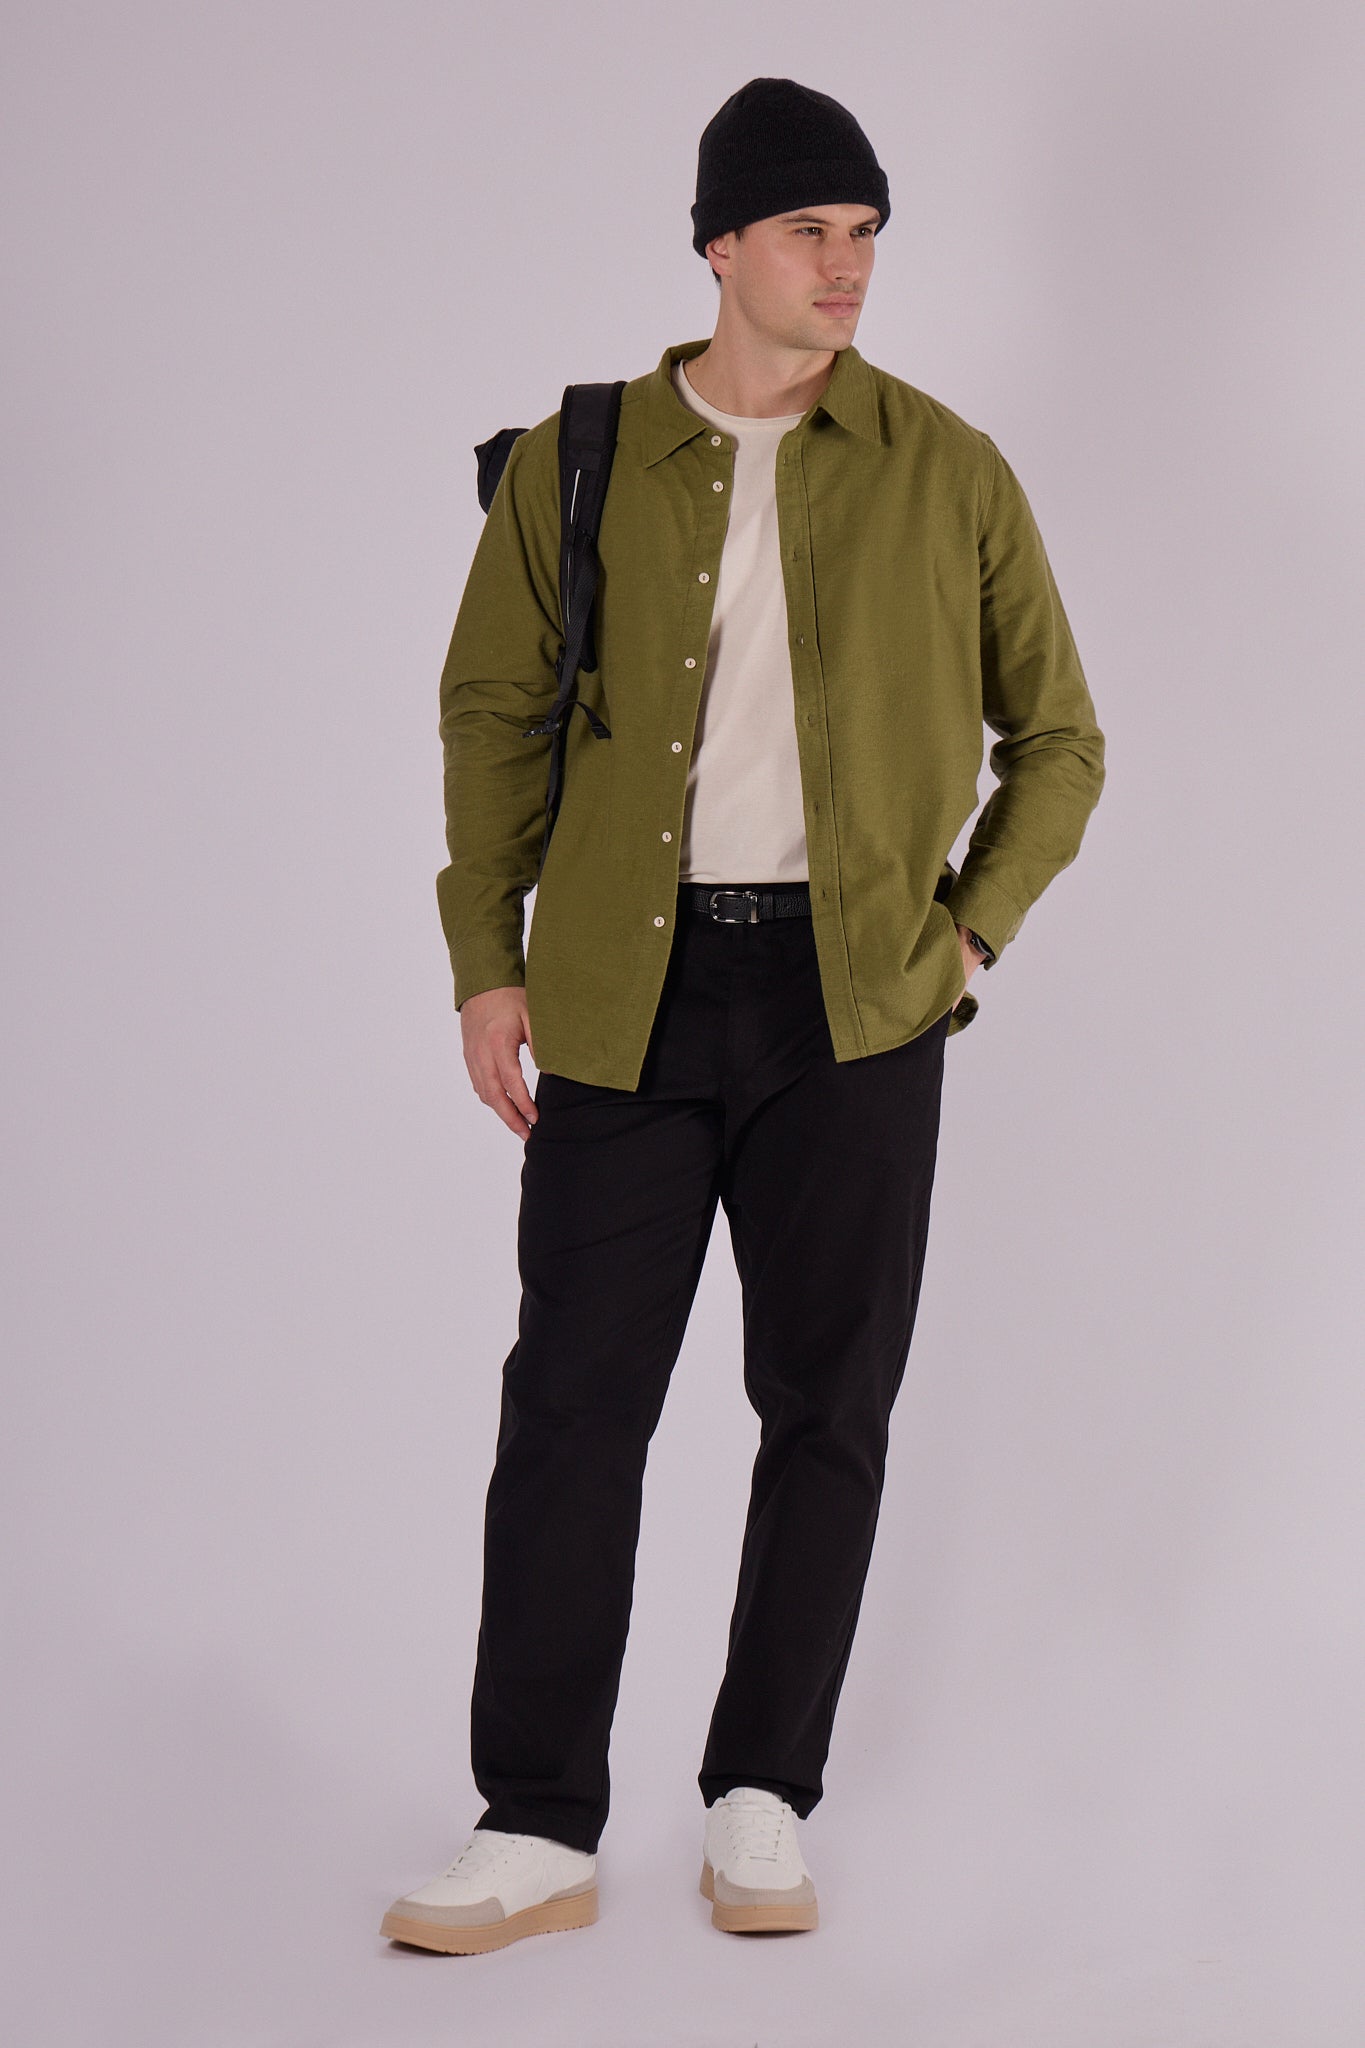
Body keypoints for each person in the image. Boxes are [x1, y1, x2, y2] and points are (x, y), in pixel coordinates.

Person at [380, 75, 1105, 1956]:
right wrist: (484, 958)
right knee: (571, 1409)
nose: (844, 266)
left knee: (826, 1407)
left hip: (855, 1006)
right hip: (622, 994)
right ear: (718, 244)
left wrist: (967, 938)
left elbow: (1058, 738)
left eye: (864, 235)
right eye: (807, 231)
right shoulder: (581, 458)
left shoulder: (946, 467)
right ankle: (535, 1821)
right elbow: (490, 715)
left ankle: (762, 1792)